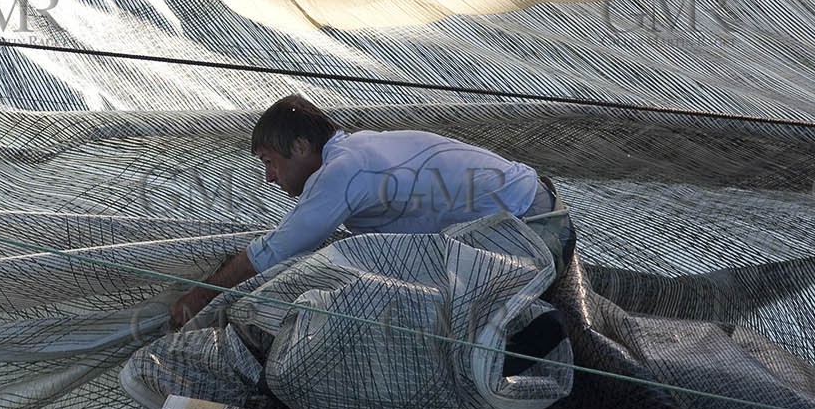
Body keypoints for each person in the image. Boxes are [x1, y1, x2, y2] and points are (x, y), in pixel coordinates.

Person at [171, 96, 575, 328]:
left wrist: (197, 298)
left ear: (299, 146)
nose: (269, 177)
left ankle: (526, 329)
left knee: (422, 324)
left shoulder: (345, 170)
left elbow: (276, 250)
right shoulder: (360, 150)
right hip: (536, 216)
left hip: (532, 232)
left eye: (268, 160)